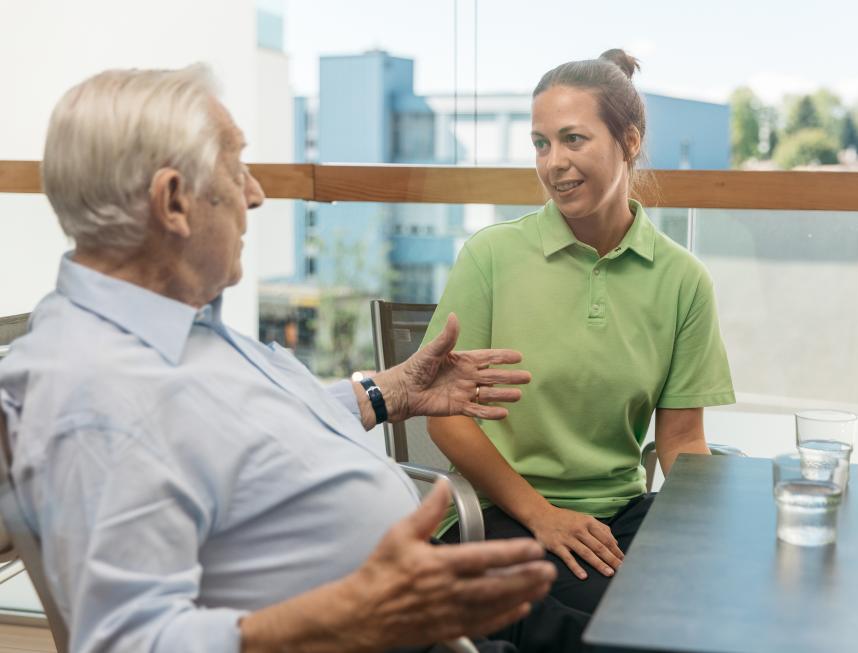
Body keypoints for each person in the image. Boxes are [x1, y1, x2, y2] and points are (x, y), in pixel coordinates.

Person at [0, 65, 558, 653]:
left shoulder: (167, 326)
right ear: (172, 201)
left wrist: (387, 392)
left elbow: (232, 440)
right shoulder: (97, 393)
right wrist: (349, 615)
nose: (256, 194)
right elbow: (126, 642)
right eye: (235, 168)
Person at [423, 49, 736, 615]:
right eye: (541, 144)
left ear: (630, 141)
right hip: (499, 514)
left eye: (573, 139)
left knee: (720, 599)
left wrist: (718, 531)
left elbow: (683, 440)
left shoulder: (683, 280)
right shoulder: (491, 256)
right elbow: (446, 416)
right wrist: (542, 515)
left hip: (617, 518)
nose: (553, 163)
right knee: (626, 616)